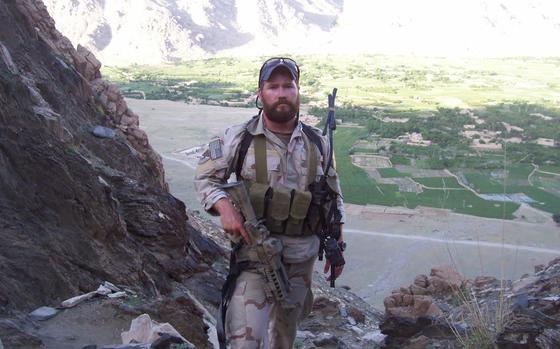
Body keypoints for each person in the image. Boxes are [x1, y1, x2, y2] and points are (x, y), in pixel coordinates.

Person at [194, 57, 345, 349]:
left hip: (302, 260)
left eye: (288, 86)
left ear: (298, 91)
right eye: (273, 86)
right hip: (254, 256)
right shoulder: (237, 139)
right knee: (244, 341)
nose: (281, 93)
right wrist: (224, 207)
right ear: (260, 94)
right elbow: (205, 178)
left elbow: (333, 197)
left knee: (283, 340)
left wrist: (338, 246)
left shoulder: (318, 143)